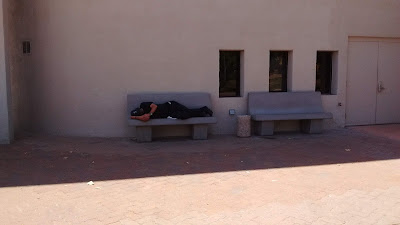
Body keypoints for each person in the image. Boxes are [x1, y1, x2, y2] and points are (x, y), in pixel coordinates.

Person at [130, 101, 213, 122]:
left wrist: (150, 113)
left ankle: (203, 111)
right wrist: (134, 117)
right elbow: (145, 118)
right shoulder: (143, 116)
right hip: (170, 114)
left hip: (170, 105)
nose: (141, 110)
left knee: (187, 111)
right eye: (140, 111)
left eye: (140, 110)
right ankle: (203, 111)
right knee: (185, 115)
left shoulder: (143, 105)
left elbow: (154, 106)